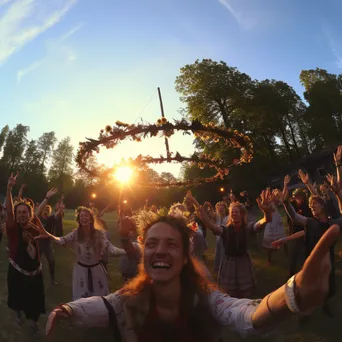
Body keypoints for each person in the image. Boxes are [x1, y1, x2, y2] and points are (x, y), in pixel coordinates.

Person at [46, 211, 339, 341]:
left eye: (171, 244)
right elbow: (104, 306)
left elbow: (246, 315)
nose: (160, 251)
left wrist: (293, 294)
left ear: (186, 256)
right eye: (151, 244)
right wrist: (67, 310)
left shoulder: (205, 298)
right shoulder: (128, 298)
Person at [272, 172, 342, 316]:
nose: (311, 206)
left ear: (322, 206)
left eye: (314, 203)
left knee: (329, 285)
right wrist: (285, 203)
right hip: (311, 259)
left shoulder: (332, 223)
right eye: (310, 204)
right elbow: (294, 217)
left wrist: (338, 193)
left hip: (328, 260)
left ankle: (325, 305)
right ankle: (306, 312)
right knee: (309, 286)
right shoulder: (310, 222)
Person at [194, 190, 272, 298]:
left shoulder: (248, 228)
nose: (234, 214)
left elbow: (263, 222)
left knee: (246, 295)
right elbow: (213, 227)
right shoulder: (225, 229)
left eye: (236, 212)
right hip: (228, 263)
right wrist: (203, 216)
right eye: (232, 212)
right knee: (229, 294)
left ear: (242, 214)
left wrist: (267, 212)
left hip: (243, 262)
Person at [40, 206, 127, 300]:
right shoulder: (75, 233)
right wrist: (49, 235)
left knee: (99, 300)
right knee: (81, 300)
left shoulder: (99, 234)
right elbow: (62, 240)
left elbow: (112, 250)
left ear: (91, 219)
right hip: (80, 271)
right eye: (81, 216)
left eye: (86, 216)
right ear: (78, 219)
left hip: (97, 271)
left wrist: (127, 251)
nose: (83, 218)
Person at [5, 173, 47, 336]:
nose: (22, 214)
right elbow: (9, 211)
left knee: (35, 301)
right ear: (16, 215)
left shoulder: (34, 225)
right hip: (17, 271)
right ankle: (18, 312)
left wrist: (46, 198)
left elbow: (39, 211)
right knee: (18, 297)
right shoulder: (13, 227)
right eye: (19, 212)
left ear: (29, 214)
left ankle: (34, 323)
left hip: (35, 271)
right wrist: (9, 189)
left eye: (25, 212)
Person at [36, 187, 61, 285]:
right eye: (44, 209)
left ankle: (52, 279)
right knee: (36, 261)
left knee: (51, 261)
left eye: (47, 210)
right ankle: (35, 275)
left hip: (47, 244)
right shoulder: (38, 219)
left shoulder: (51, 219)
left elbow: (57, 215)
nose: (45, 211)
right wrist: (46, 198)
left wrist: (60, 208)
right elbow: (38, 211)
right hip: (38, 243)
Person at [262, 194, 287, 264]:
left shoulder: (276, 201)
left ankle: (286, 251)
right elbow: (269, 209)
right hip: (271, 220)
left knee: (281, 235)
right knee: (270, 237)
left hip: (277, 218)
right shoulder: (267, 202)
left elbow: (280, 204)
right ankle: (269, 258)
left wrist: (275, 198)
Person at [213, 201, 228, 273]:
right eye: (219, 209)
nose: (220, 210)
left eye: (222, 208)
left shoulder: (228, 218)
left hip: (226, 240)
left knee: (223, 253)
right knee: (217, 253)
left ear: (225, 209)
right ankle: (217, 268)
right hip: (218, 239)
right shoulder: (217, 217)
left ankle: (223, 269)